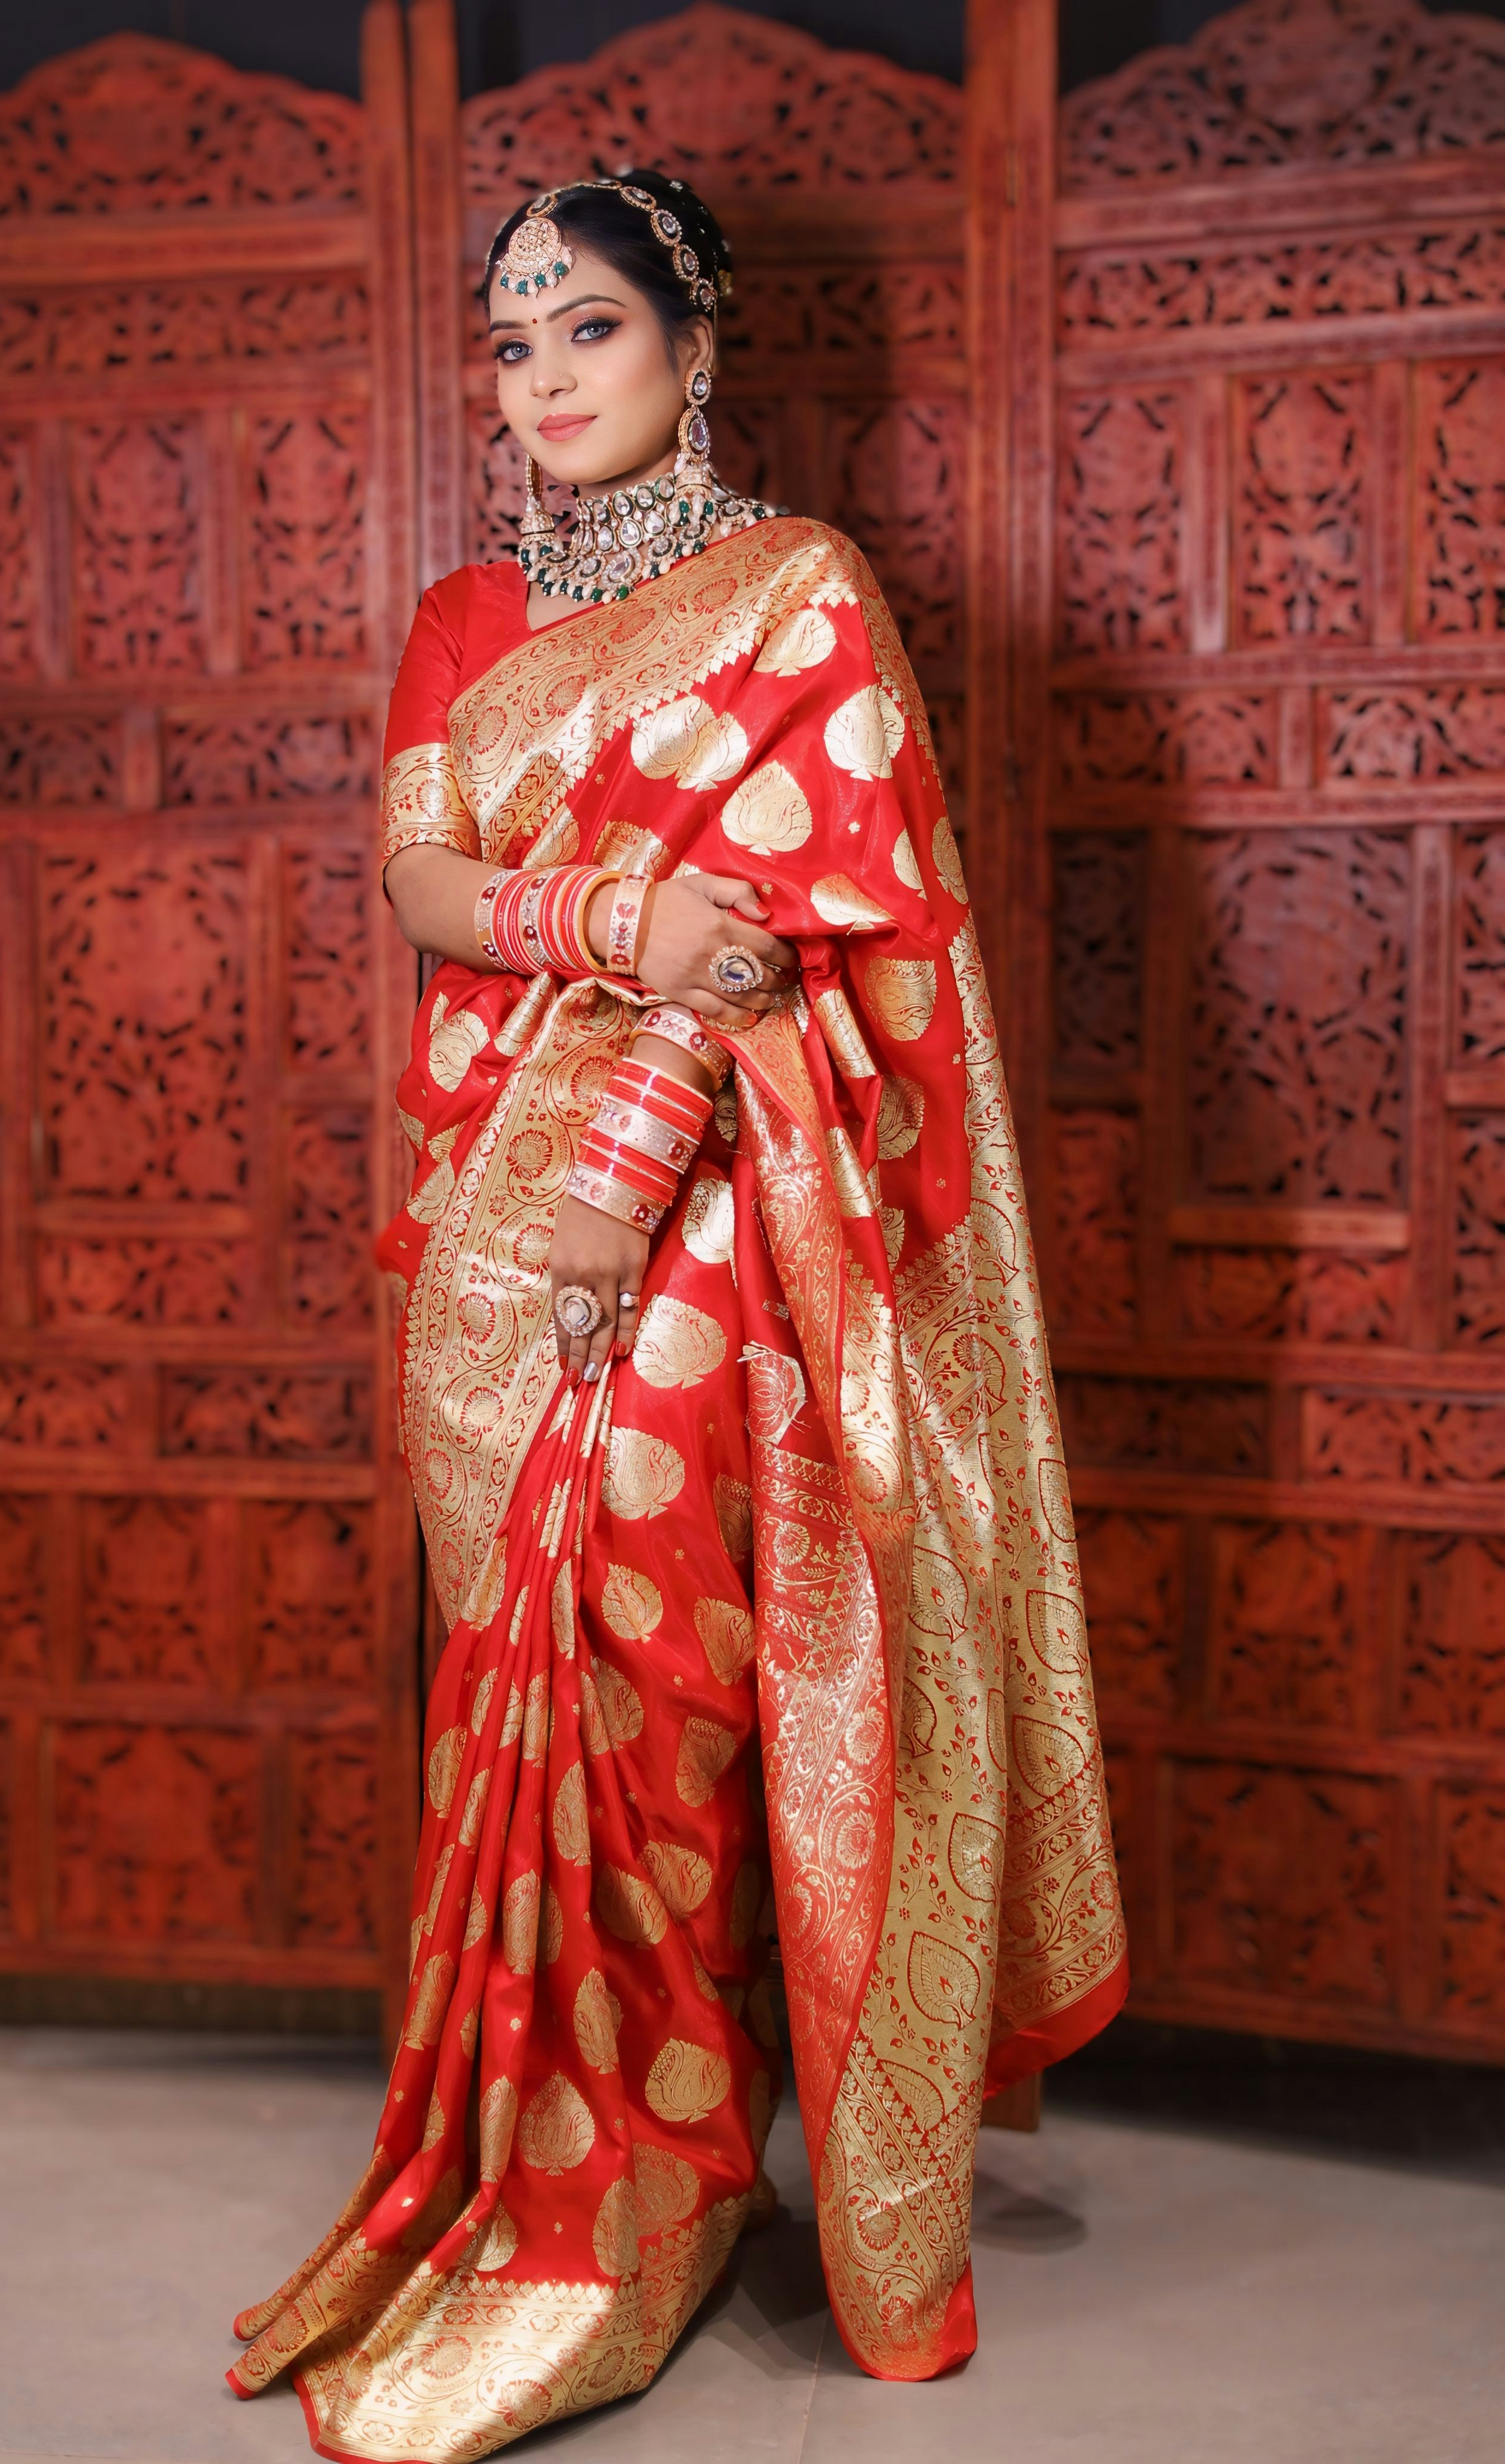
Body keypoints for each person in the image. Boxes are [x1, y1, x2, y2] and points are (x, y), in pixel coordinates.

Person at [227, 170, 1127, 2460]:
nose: (539, 382)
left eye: (586, 333)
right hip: (494, 1232)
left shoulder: (802, 602)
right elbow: (426, 881)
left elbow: (839, 946)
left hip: (736, 1231)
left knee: (663, 1693)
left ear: (691, 347)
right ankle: (545, 2177)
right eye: (510, 343)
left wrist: (658, 1105)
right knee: (515, 1693)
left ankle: (647, 2189)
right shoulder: (465, 611)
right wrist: (631, 919)